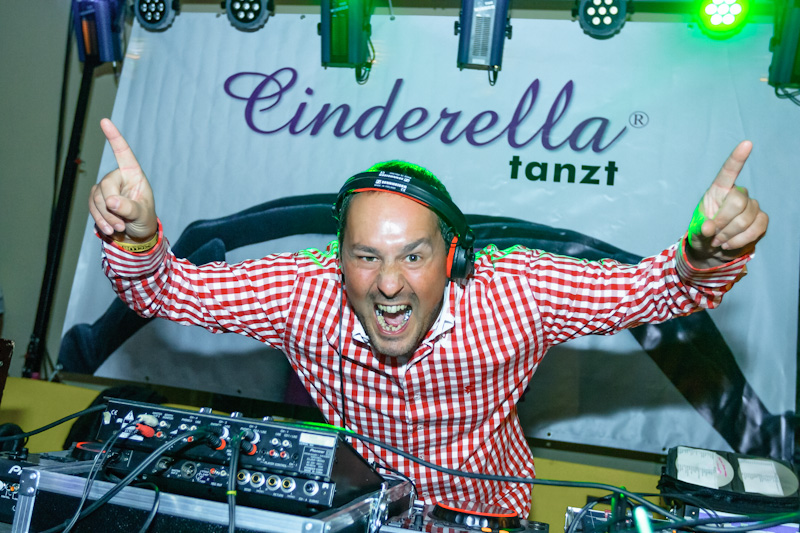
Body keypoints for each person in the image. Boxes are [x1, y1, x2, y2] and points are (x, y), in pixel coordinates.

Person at [89, 118, 768, 517]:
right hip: (360, 509)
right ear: (337, 259)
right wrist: (139, 239)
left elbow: (653, 292)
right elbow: (166, 292)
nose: (388, 283)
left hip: (487, 513)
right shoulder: (301, 293)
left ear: (453, 256)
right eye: (366, 257)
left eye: (413, 255)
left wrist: (700, 257)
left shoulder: (517, 294)